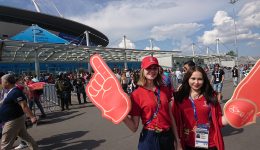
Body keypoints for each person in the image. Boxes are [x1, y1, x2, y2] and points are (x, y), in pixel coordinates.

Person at [123, 56, 181, 150]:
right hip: (149, 138)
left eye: (154, 68)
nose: (152, 71)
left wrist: (178, 141)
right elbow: (134, 127)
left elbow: (170, 116)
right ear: (142, 70)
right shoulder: (136, 94)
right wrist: (122, 116)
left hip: (167, 137)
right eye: (148, 68)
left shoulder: (164, 89)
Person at [172, 66, 229, 150]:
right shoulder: (179, 97)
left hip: (210, 143)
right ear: (187, 79)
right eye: (193, 78)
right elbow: (175, 122)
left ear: (204, 80)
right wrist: (177, 142)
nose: (196, 82)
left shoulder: (211, 96)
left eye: (200, 79)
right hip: (187, 143)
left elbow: (218, 121)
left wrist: (231, 116)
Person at [0, 74, 38, 150]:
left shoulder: (15, 92)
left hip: (13, 120)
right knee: (26, 137)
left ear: (7, 82)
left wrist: (32, 117)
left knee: (5, 143)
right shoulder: (11, 91)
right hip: (15, 119)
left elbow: (24, 105)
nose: (1, 83)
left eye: (2, 82)